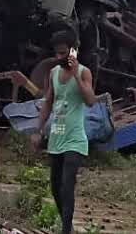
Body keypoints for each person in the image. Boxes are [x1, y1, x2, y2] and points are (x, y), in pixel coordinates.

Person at [35, 30, 96, 234]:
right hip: (56, 138)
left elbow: (90, 101)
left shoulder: (84, 72)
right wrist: (39, 129)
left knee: (67, 186)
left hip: (75, 140)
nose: (59, 58)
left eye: (63, 54)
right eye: (57, 54)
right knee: (55, 188)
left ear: (73, 50)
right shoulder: (53, 73)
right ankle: (67, 226)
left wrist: (76, 73)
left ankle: (65, 231)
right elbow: (48, 103)